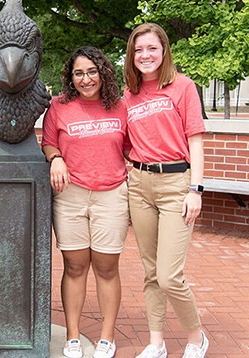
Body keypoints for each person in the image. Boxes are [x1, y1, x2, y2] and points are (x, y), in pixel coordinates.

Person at [123, 23, 208, 358]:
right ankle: (156, 343)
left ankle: (196, 337)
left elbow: (196, 143)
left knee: (170, 275)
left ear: (164, 51)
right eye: (138, 50)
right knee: (151, 271)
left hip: (176, 184)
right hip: (140, 185)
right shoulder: (127, 95)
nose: (145, 55)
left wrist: (195, 189)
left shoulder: (183, 87)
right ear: (132, 54)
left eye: (152, 49)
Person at [42, 46, 130, 358]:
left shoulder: (120, 107)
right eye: (79, 73)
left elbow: (132, 147)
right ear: (71, 77)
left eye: (92, 71)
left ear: (103, 72)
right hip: (70, 195)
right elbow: (49, 142)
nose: (86, 78)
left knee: (107, 267)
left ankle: (107, 337)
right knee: (75, 266)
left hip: (112, 194)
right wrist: (56, 159)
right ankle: (73, 336)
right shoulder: (59, 106)